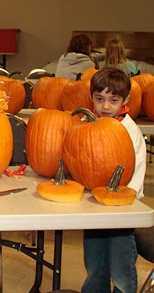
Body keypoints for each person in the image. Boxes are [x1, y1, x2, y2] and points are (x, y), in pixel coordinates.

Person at [82, 67, 146, 293]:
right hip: (92, 208)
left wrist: (126, 199)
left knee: (121, 271)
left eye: (113, 100)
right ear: (91, 98)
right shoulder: (85, 124)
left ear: (125, 100)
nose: (105, 106)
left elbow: (137, 170)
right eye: (100, 99)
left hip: (122, 213)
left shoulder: (130, 130)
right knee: (95, 266)